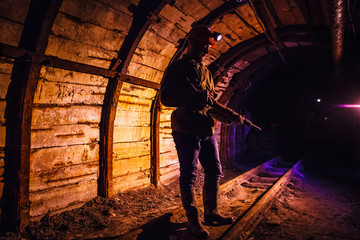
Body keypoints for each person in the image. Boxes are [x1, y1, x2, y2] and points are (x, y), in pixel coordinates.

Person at [160, 25, 233, 238]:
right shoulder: (177, 68)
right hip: (185, 127)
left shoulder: (206, 72)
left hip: (204, 127)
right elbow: (166, 99)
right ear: (190, 42)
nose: (206, 50)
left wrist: (227, 116)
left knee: (214, 171)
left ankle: (211, 213)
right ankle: (193, 221)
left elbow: (209, 102)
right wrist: (196, 97)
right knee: (189, 174)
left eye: (207, 46)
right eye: (202, 45)